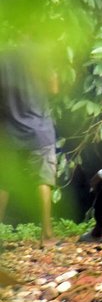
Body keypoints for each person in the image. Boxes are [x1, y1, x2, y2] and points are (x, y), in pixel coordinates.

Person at [0, 49, 57, 244]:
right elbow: (54, 87)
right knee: (44, 179)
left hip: (8, 130)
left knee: (4, 182)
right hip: (39, 129)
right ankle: (47, 234)